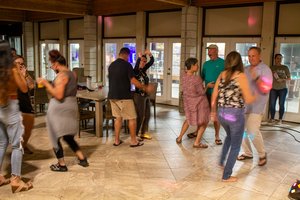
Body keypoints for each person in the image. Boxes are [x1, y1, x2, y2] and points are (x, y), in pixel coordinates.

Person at [37, 50, 88, 172]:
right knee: (67, 135)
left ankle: (61, 164)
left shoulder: (61, 76)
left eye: (51, 65)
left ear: (55, 64)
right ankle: (82, 158)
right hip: (71, 105)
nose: (52, 67)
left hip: (59, 108)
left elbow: (59, 95)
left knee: (54, 135)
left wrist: (46, 83)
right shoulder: (73, 74)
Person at [211, 51, 256, 182]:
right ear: (239, 62)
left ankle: (221, 162)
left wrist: (213, 112)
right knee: (236, 145)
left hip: (222, 114)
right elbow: (248, 99)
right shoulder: (241, 76)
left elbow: (214, 96)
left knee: (229, 137)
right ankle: (226, 175)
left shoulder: (221, 74)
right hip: (235, 114)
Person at [0, 40, 33, 192]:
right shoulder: (12, 69)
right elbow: (24, 88)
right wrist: (21, 74)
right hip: (10, 107)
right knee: (17, 144)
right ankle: (16, 180)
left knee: (1, 143)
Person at [108, 47, 153, 147]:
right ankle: (133, 141)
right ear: (126, 55)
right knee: (132, 118)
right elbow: (133, 81)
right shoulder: (127, 65)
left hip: (112, 96)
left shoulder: (111, 65)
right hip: (124, 96)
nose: (128, 58)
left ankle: (116, 140)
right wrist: (144, 88)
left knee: (118, 118)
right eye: (128, 56)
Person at [237, 47, 273, 167]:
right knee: (241, 131)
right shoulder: (245, 69)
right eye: (249, 56)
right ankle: (248, 153)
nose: (251, 58)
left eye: (254, 56)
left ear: (259, 56)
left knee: (252, 130)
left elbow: (266, 89)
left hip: (257, 106)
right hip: (244, 105)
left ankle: (262, 154)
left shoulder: (265, 70)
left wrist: (256, 78)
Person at [188, 44, 224, 145]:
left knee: (215, 116)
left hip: (217, 94)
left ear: (216, 51)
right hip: (206, 94)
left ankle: (217, 136)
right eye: (208, 51)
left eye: (210, 50)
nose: (209, 53)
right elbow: (201, 78)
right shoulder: (206, 64)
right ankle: (197, 132)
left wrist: (219, 86)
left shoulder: (223, 63)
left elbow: (227, 78)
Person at [176, 58, 210, 148]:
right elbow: (201, 92)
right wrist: (207, 86)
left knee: (188, 119)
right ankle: (197, 142)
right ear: (191, 66)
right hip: (199, 103)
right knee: (204, 122)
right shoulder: (196, 79)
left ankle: (179, 138)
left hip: (188, 103)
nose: (198, 66)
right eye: (196, 64)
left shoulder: (183, 76)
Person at [13, 55, 35, 154]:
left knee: (27, 129)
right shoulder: (10, 74)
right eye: (19, 63)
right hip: (14, 105)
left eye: (22, 63)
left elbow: (31, 86)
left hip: (25, 103)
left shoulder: (25, 74)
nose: (21, 65)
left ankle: (24, 145)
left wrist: (25, 75)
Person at [133, 49, 154, 140]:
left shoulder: (144, 70)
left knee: (148, 114)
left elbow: (151, 62)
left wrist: (149, 54)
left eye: (145, 61)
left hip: (146, 95)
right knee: (140, 115)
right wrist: (139, 57)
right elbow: (137, 66)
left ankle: (143, 132)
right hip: (138, 96)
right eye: (142, 61)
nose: (144, 63)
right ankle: (136, 134)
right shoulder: (135, 71)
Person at [269, 53, 291, 124]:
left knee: (281, 104)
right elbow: (267, 77)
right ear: (275, 59)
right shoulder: (271, 68)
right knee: (272, 104)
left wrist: (282, 79)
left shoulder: (285, 67)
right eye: (278, 58)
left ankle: (280, 119)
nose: (279, 60)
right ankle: (272, 119)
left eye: (280, 58)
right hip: (273, 89)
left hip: (283, 89)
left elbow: (289, 78)